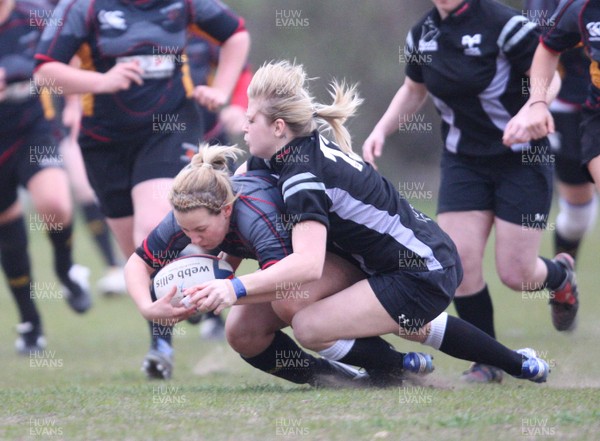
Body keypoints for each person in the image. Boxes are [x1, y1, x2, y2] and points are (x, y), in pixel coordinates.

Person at [184, 60, 551, 385]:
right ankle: (516, 363)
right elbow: (240, 219)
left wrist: (233, 289)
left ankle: (396, 368)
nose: (243, 128)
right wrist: (214, 279)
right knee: (245, 328)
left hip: (421, 270)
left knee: (311, 325)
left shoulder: (302, 177)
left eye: (250, 120)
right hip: (369, 262)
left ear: (279, 127)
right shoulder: (273, 158)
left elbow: (308, 265)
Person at [33, 0, 250, 376]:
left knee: (151, 227)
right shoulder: (83, 8)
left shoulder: (184, 4)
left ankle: (163, 343)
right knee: (139, 256)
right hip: (104, 142)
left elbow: (236, 34)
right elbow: (44, 73)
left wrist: (224, 90)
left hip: (170, 128)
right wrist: (102, 81)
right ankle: (178, 301)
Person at [361, 0, 574, 383]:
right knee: (458, 265)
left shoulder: (504, 24)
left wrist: (533, 109)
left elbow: (552, 74)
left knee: (517, 273)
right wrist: (381, 129)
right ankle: (489, 360)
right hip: (464, 162)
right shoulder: (422, 34)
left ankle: (559, 278)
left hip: (520, 157)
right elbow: (414, 89)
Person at [125, 145, 433, 385]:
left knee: (291, 303)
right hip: (302, 269)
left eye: (200, 231)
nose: (191, 238)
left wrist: (223, 290)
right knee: (242, 334)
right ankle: (333, 379)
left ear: (225, 210)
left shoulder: (258, 218)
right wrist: (146, 307)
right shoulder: (187, 215)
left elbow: (286, 279)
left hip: (345, 259)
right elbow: (138, 263)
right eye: (185, 230)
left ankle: (394, 364)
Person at [0, 0, 92, 354]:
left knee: (54, 203)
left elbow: (65, 55)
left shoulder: (35, 13)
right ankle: (30, 324)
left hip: (34, 130)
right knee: (9, 231)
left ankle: (66, 271)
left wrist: (72, 105)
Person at [182, 33, 253, 339]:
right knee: (177, 221)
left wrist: (237, 104)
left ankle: (211, 306)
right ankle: (190, 294)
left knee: (215, 225)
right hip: (161, 143)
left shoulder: (205, 27)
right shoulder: (138, 28)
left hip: (210, 143)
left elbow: (241, 69)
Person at [508, 1, 600, 211]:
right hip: (593, 113)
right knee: (577, 199)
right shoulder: (582, 7)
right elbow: (547, 48)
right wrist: (538, 103)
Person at [523, 0, 597, 260]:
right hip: (571, 108)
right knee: (578, 216)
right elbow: (545, 47)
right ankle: (563, 281)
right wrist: (537, 104)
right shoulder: (575, 8)